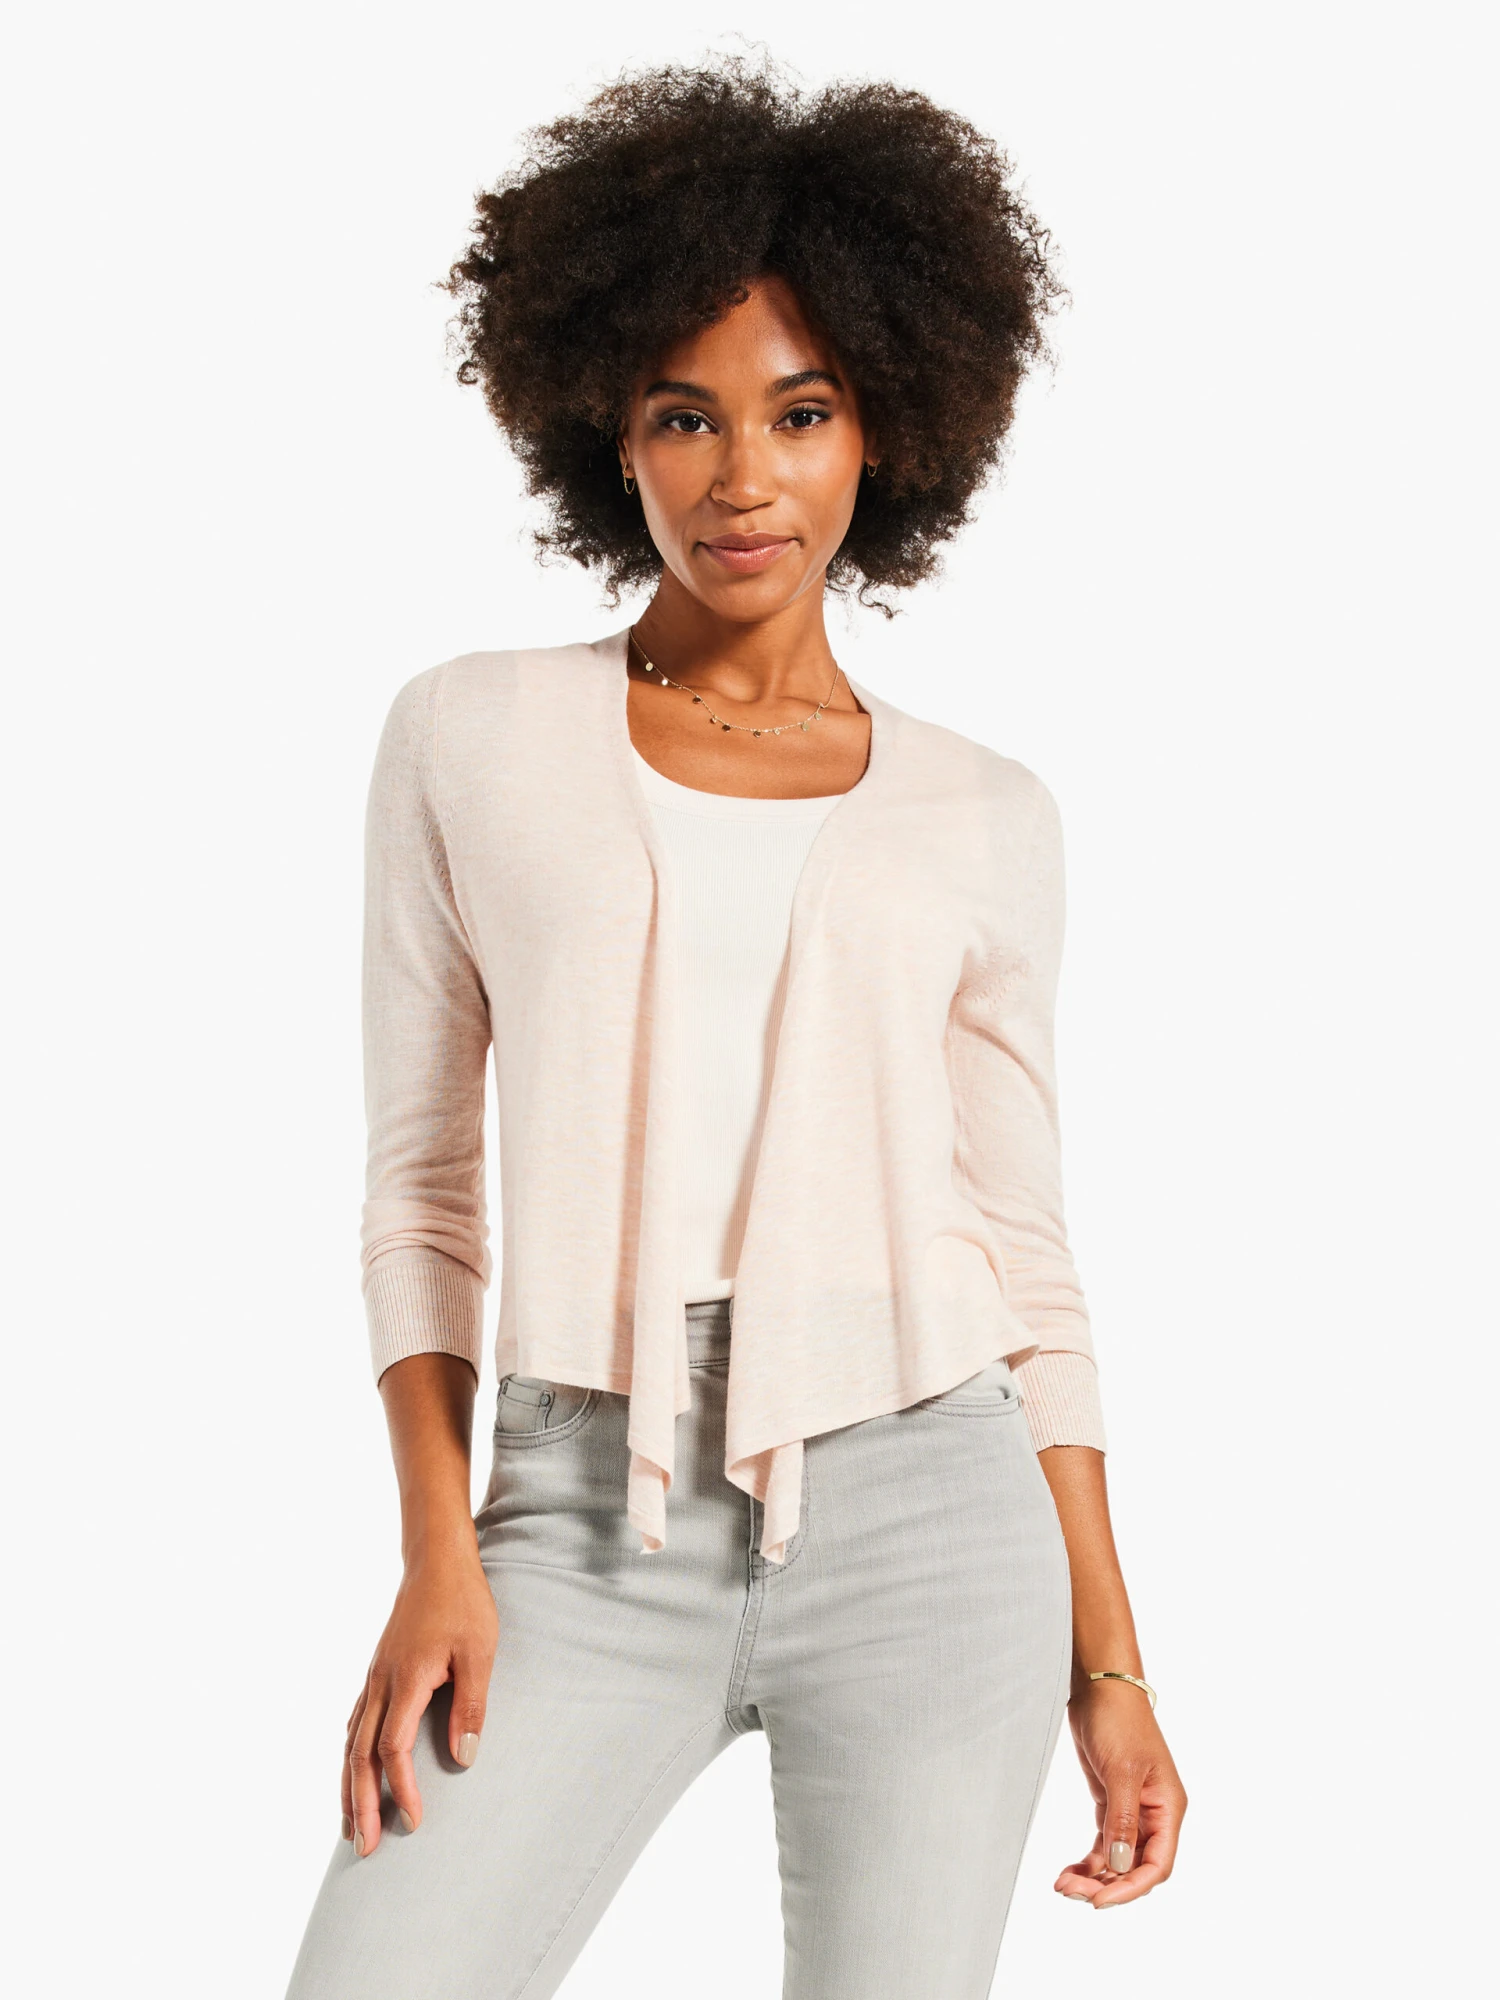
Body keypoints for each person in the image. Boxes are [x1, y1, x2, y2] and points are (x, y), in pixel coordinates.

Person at [286, 54, 1187, 2000]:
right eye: (684, 414)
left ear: (890, 428)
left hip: (937, 1512)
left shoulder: (986, 811)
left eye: (802, 410)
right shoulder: (471, 734)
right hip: (578, 1511)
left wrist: (1111, 1665)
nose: (741, 476)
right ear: (605, 428)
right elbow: (419, 1189)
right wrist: (439, 1553)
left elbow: (1031, 1262)